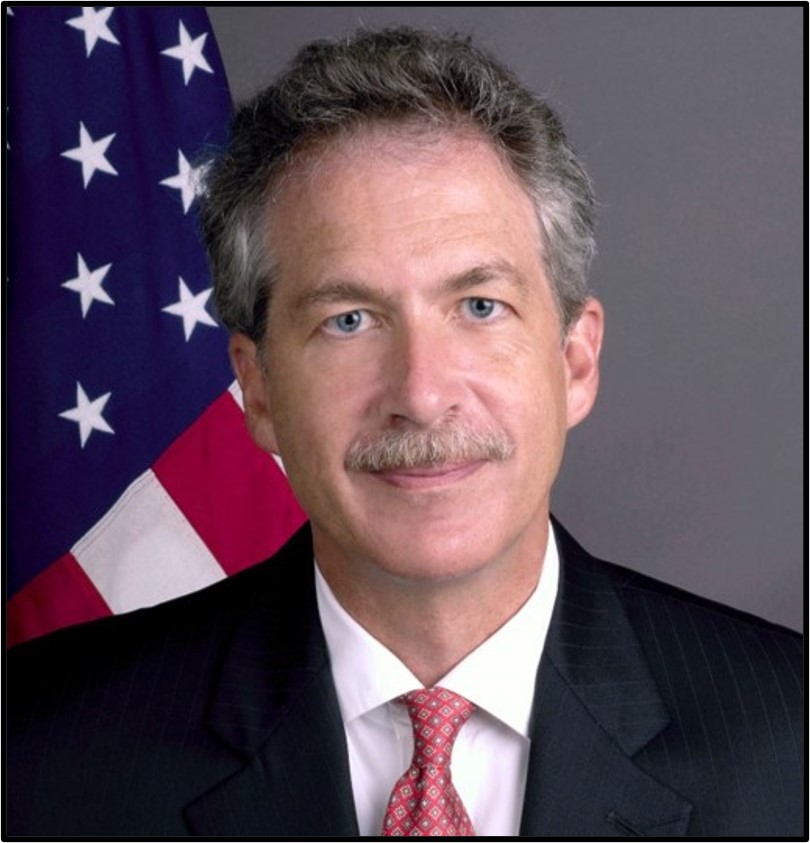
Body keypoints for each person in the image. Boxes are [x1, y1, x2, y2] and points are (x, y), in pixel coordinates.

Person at [7, 27, 802, 838]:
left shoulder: (790, 741)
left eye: (480, 307)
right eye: (349, 320)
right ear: (259, 389)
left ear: (575, 360)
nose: (421, 395)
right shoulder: (41, 756)